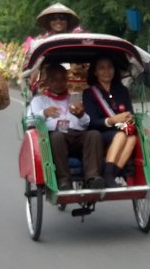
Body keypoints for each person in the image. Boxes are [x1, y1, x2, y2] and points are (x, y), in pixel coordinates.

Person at [27, 64, 104, 190]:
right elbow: (29, 121)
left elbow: (87, 123)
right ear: (47, 82)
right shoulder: (39, 101)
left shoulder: (76, 98)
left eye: (62, 79)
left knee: (94, 134)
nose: (59, 83)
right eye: (54, 80)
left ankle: (93, 178)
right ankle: (63, 180)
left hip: (77, 135)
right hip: (55, 137)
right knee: (57, 137)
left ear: (67, 80)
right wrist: (44, 114)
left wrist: (81, 115)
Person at [83, 57, 136, 188]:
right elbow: (91, 122)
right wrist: (111, 120)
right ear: (95, 72)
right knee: (121, 136)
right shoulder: (89, 93)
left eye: (110, 67)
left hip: (121, 131)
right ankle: (108, 175)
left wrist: (129, 118)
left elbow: (130, 112)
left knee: (133, 139)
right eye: (102, 68)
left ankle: (111, 175)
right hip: (99, 134)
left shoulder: (122, 90)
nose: (107, 71)